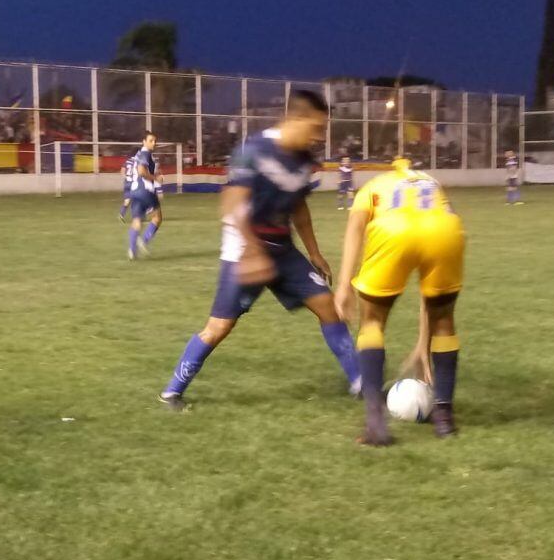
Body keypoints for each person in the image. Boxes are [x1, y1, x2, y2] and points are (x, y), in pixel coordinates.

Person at [159, 90, 361, 411]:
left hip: (283, 250)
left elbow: (299, 207)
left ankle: (360, 381)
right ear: (296, 118)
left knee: (328, 308)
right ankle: (172, 391)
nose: (319, 136)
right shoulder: (253, 150)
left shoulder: (305, 162)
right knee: (219, 327)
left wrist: (315, 252)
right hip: (243, 248)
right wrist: (253, 253)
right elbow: (232, 203)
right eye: (316, 127)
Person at [334, 158, 465, 445]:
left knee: (372, 322)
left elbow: (355, 232)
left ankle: (376, 424)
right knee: (443, 319)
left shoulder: (372, 187)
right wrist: (423, 341)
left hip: (393, 233)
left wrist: (343, 286)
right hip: (445, 232)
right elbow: (427, 294)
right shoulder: (431, 183)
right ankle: (444, 418)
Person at [126, 132, 164, 260]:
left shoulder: (138, 155)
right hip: (146, 191)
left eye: (155, 140)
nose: (154, 143)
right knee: (158, 218)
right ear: (144, 141)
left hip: (134, 191)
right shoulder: (145, 153)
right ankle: (144, 241)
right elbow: (141, 171)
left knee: (137, 221)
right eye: (151, 140)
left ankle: (132, 250)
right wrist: (156, 178)